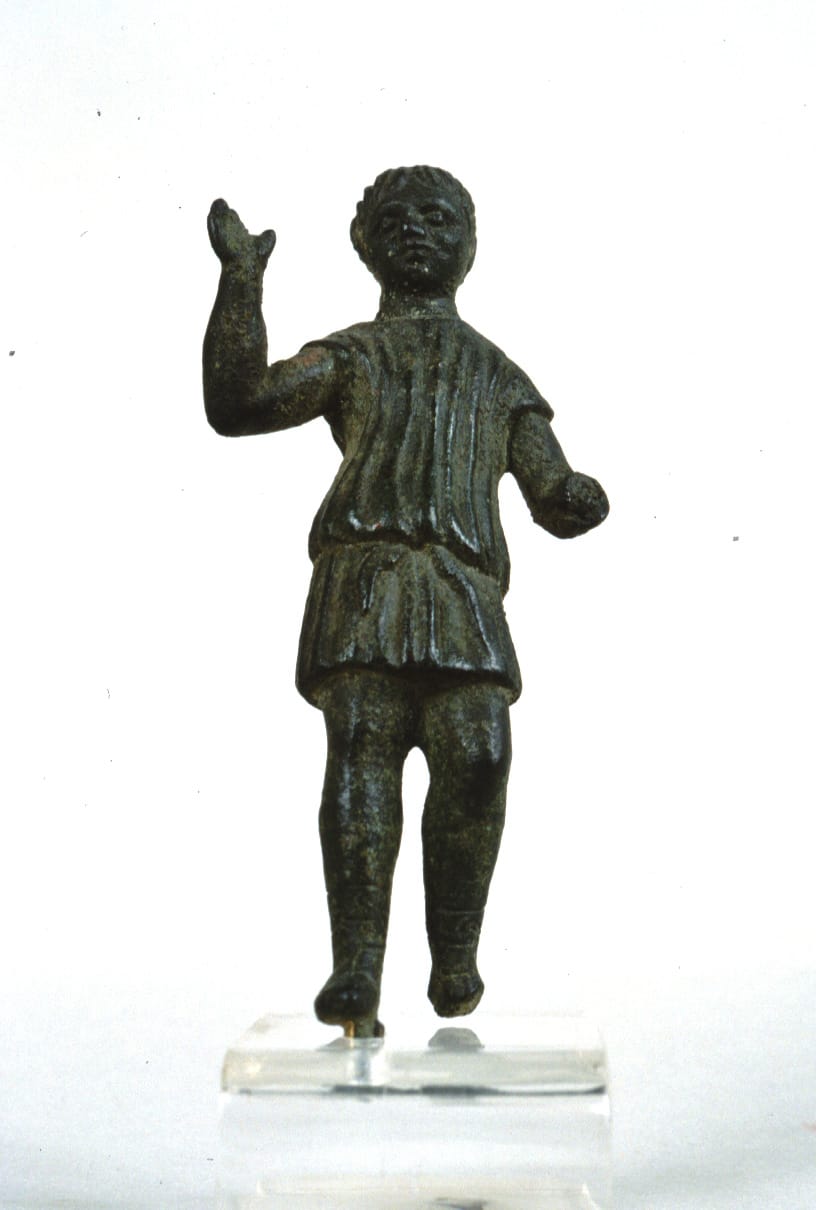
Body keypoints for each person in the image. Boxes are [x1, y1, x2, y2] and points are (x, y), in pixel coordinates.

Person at [203, 166, 608, 1035]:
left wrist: (571, 495)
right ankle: (356, 968)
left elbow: (547, 483)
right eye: (394, 222)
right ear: (366, 247)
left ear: (471, 244)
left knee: (481, 755)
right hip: (367, 572)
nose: (415, 232)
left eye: (436, 218)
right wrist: (241, 282)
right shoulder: (351, 355)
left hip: (462, 582)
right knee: (363, 749)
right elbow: (239, 403)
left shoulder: (497, 374)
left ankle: (455, 954)